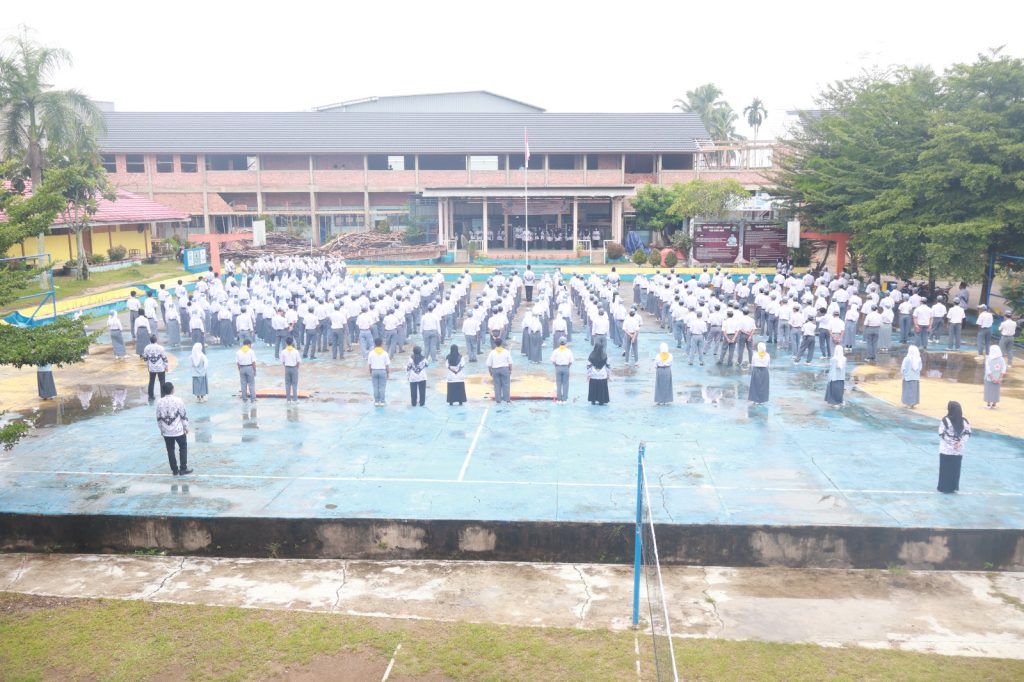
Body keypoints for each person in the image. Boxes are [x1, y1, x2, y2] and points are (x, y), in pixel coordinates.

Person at [156, 381, 192, 476]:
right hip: (178, 430)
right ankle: (183, 469)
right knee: (183, 448)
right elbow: (183, 415)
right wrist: (186, 427)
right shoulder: (178, 400)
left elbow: (158, 417)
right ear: (173, 390)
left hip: (166, 431)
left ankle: (175, 470)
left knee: (170, 450)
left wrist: (161, 429)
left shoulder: (159, 402)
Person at [937, 401, 971, 494]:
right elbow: (968, 433)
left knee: (945, 469)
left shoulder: (945, 420)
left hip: (946, 450)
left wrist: (952, 443)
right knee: (955, 469)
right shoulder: (964, 421)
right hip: (958, 450)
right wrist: (960, 443)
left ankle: (944, 487)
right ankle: (953, 487)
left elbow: (941, 433)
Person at [486, 338, 513, 404]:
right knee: (506, 384)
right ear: (501, 343)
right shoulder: (506, 352)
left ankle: (498, 400)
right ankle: (506, 399)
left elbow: (489, 364)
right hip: (504, 369)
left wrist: (490, 371)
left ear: (495, 344)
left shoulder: (492, 352)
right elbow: (510, 363)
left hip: (495, 370)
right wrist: (510, 370)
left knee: (497, 385)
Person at [142, 335, 168, 401]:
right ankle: (163, 396)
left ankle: (151, 397)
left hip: (152, 368)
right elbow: (164, 358)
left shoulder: (147, 347)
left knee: (151, 382)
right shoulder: (160, 348)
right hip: (160, 367)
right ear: (156, 340)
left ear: (150, 340)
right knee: (162, 382)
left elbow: (145, 358)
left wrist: (148, 365)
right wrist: (166, 366)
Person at [368, 337, 391, 406]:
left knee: (375, 387)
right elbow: (387, 365)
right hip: (382, 371)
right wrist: (388, 373)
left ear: (375, 344)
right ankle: (382, 401)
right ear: (381, 344)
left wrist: (370, 372)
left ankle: (376, 401)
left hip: (374, 371)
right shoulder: (385, 353)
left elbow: (369, 364)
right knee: (382, 387)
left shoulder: (371, 353)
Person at [550, 336, 574, 404]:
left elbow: (553, 360)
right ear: (566, 343)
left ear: (559, 343)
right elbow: (571, 361)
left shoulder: (556, 351)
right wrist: (567, 367)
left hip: (558, 367)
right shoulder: (569, 351)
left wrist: (556, 366)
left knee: (558, 383)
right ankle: (564, 399)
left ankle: (559, 399)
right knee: (565, 383)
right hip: (566, 367)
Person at [586, 341, 611, 406]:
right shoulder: (605, 356)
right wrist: (608, 375)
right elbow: (608, 366)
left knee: (593, 388)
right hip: (602, 375)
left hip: (593, 375)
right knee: (602, 388)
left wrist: (588, 375)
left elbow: (588, 366)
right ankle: (601, 401)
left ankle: (593, 400)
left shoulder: (591, 356)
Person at [984, 345, 1007, 409]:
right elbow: (1004, 369)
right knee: (996, 391)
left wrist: (992, 378)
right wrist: (1000, 378)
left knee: (988, 390)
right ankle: (994, 404)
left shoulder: (989, 358)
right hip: (998, 377)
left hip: (989, 378)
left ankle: (988, 404)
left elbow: (988, 369)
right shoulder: (1002, 359)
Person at [236, 338, 257, 403]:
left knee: (243, 384)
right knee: (251, 384)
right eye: (250, 344)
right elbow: (253, 362)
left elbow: (238, 363)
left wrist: (240, 370)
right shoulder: (251, 351)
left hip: (242, 368)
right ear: (248, 344)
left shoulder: (238, 352)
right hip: (249, 367)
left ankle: (244, 398)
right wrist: (254, 370)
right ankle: (253, 399)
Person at [281, 336, 301, 403]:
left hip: (287, 368)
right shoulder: (296, 351)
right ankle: (295, 399)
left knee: (287, 384)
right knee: (294, 384)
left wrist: (286, 367)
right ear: (292, 343)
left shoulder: (283, 351)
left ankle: (288, 400)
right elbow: (298, 361)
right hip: (294, 368)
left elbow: (283, 362)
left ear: (286, 343)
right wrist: (296, 368)